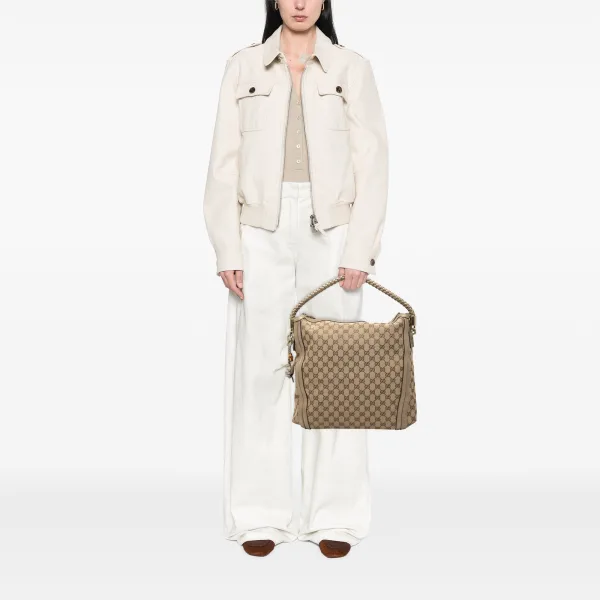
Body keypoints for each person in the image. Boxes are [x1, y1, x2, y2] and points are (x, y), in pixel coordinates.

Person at [203, 0, 388, 558]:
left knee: (336, 375)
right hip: (259, 229)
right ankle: (259, 516)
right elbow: (222, 162)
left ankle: (336, 516)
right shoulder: (243, 67)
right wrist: (227, 247)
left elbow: (373, 163)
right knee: (260, 371)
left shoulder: (352, 68)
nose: (301, 3)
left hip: (332, 228)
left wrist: (360, 247)